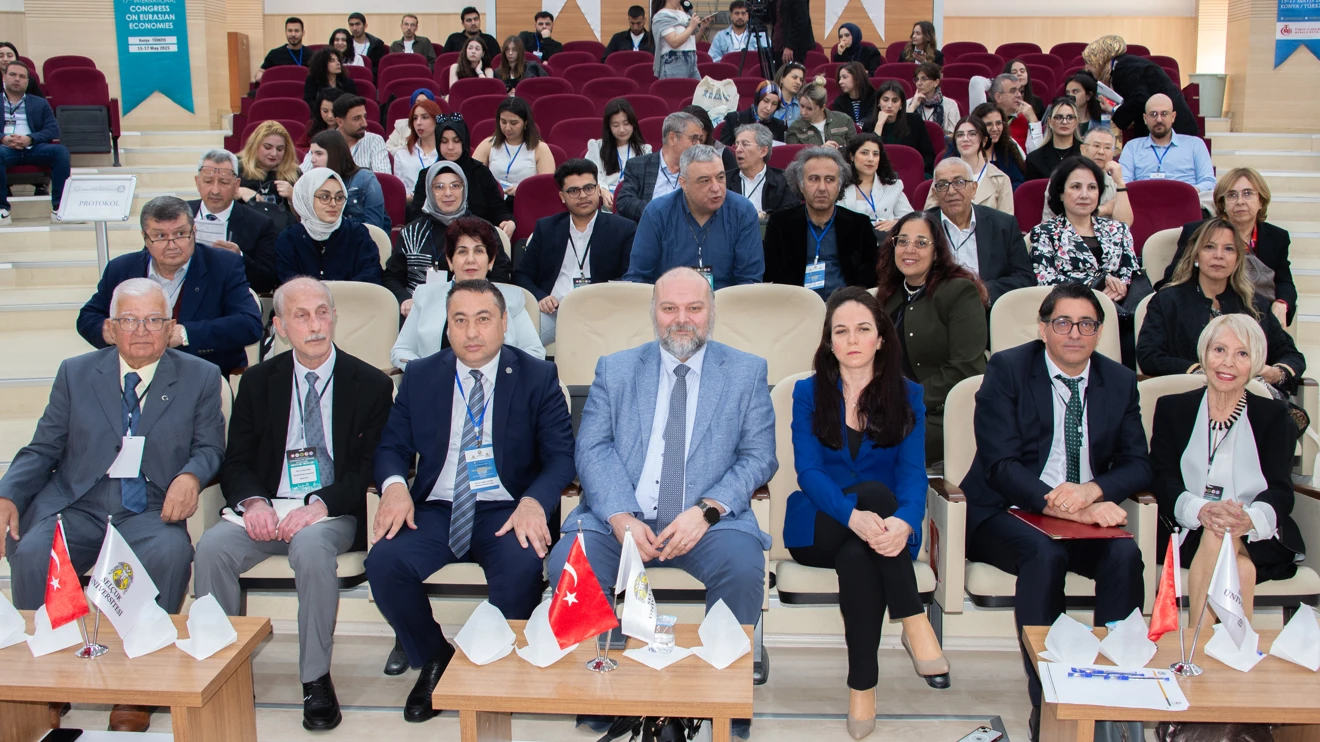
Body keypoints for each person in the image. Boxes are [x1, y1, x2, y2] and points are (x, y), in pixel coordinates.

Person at [550, 266, 774, 741]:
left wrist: (709, 510)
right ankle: (600, 683)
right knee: (571, 562)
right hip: (624, 514)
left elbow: (759, 456)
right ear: (653, 312)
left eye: (694, 308)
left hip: (706, 521)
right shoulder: (615, 368)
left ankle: (723, 693)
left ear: (711, 312)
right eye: (669, 308)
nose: (682, 320)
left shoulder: (747, 371)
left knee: (742, 564)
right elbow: (592, 448)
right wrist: (619, 515)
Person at [2, 278, 224, 733]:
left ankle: (134, 689)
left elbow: (210, 448)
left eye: (153, 320)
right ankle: (49, 679)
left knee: (170, 553)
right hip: (78, 503)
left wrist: (191, 475)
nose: (141, 330)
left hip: (148, 508)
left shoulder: (200, 377)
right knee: (32, 549)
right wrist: (7, 493)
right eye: (129, 320)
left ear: (171, 326)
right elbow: (42, 447)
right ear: (109, 328)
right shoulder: (76, 372)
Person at [369, 277, 574, 722]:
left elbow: (561, 458)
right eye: (459, 321)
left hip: (507, 508)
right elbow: (391, 448)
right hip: (437, 508)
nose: (472, 332)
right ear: (447, 327)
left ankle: (489, 662)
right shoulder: (422, 375)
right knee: (383, 563)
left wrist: (535, 502)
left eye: (484, 319)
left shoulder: (538, 376)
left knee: (522, 567)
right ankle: (437, 659)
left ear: (504, 323)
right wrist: (396, 487)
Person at [193, 277, 392, 732]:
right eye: (301, 316)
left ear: (335, 317)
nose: (315, 325)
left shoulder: (372, 384)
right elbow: (237, 460)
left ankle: (315, 678)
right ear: (280, 326)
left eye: (323, 313)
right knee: (211, 549)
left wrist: (321, 503)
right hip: (269, 508)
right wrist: (254, 502)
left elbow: (370, 467)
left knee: (310, 547)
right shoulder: (259, 381)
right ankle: (222, 672)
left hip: (332, 512)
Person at [961, 283, 1150, 742]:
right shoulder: (1007, 369)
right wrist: (1059, 504)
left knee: (1125, 556)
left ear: (1100, 332)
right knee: (1044, 555)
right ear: (1044, 328)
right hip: (1003, 511)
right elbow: (1000, 464)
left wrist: (1092, 492)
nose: (1074, 334)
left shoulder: (1119, 381)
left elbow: (1138, 463)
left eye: (1087, 324)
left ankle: (1110, 696)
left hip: (1080, 510)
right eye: (1062, 323)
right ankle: (1049, 699)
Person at [786, 286, 950, 740]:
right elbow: (809, 473)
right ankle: (914, 620)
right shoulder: (807, 392)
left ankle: (862, 688)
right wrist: (852, 515)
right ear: (829, 341)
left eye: (863, 329)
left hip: (882, 536)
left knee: (860, 557)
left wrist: (906, 520)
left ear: (881, 338)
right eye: (841, 331)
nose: (852, 339)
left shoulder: (908, 394)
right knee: (876, 492)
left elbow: (915, 474)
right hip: (818, 525)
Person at [1151, 315, 1306, 627]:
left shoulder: (1276, 417)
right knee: (1235, 559)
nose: (1228, 363)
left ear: (1256, 362)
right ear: (1204, 353)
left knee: (1221, 531)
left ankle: (1195, 643)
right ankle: (1232, 656)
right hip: (1188, 527)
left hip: (1258, 533)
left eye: (1242, 354)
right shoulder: (1172, 408)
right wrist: (1202, 509)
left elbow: (1279, 488)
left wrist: (1248, 517)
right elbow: (1162, 477)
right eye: (1219, 350)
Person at [78, 195, 262, 373]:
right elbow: (87, 317)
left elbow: (249, 324)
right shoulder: (122, 269)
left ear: (194, 231)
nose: (172, 245)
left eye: (180, 234)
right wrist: (107, 331)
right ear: (145, 238)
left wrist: (185, 334)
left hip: (201, 374)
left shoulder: (223, 265)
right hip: (138, 372)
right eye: (160, 236)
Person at [1138, 218, 1304, 393]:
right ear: (1196, 255)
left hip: (1250, 398)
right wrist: (1198, 372)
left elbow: (1292, 355)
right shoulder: (1167, 300)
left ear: (1238, 259)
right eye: (1209, 247)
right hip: (1188, 396)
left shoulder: (1254, 303)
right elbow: (1149, 356)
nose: (1219, 255)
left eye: (1229, 249)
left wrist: (1275, 373)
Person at [875, 213, 987, 463]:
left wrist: (903, 399)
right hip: (889, 407)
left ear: (937, 252)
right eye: (902, 241)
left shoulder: (959, 292)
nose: (909, 250)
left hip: (943, 412)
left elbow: (966, 368)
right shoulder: (887, 295)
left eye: (921, 243)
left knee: (878, 447)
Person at [515, 159, 636, 345]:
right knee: (518, 342)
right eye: (573, 191)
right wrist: (540, 298)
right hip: (554, 313)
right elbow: (522, 275)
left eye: (588, 188)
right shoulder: (546, 227)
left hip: (602, 313)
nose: (582, 195)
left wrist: (598, 298)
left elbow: (630, 278)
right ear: (562, 196)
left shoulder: (623, 229)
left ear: (598, 190)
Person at [392, 216, 543, 364]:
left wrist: (497, 374)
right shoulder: (424, 296)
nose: (470, 260)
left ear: (491, 261)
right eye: (462, 252)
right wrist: (428, 372)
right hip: (437, 384)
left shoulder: (512, 299)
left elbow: (535, 352)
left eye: (478, 251)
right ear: (450, 261)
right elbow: (401, 350)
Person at [1160, 168, 1295, 326]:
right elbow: (1172, 279)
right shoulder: (1197, 232)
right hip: (1204, 312)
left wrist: (1282, 303)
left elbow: (1284, 281)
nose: (1240, 201)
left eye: (1248, 193)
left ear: (1261, 201)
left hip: (1256, 316)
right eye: (1231, 195)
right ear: (1222, 203)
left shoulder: (1277, 237)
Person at [625, 145, 763, 288]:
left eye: (720, 177)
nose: (716, 188)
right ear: (683, 184)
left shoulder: (743, 212)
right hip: (670, 303)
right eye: (705, 181)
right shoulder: (657, 213)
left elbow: (749, 281)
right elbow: (638, 278)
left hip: (727, 304)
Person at [390, 162, 513, 306]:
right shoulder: (411, 233)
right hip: (418, 309)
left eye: (455, 186)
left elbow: (501, 273)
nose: (448, 193)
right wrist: (404, 299)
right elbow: (392, 276)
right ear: (429, 192)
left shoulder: (483, 230)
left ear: (464, 189)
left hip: (474, 308)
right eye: (439, 187)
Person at [764, 146, 879, 297]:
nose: (822, 188)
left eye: (830, 180)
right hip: (796, 306)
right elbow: (773, 277)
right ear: (800, 184)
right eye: (814, 179)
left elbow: (870, 278)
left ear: (839, 186)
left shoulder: (859, 224)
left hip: (845, 307)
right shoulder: (780, 224)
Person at [1030, 156, 1138, 311]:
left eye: (1092, 188)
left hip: (1120, 309)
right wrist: (1099, 282)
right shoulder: (1044, 232)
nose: (1085, 195)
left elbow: (1131, 272)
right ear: (1061, 193)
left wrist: (1120, 286)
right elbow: (1045, 279)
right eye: (1076, 187)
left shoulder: (1119, 230)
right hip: (1069, 310)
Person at [924, 158, 1034, 305]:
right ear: (935, 193)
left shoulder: (1003, 225)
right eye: (943, 185)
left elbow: (1025, 278)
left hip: (987, 314)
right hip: (935, 312)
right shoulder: (922, 226)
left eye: (959, 182)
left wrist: (984, 291)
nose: (951, 191)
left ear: (974, 188)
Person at [407, 115, 516, 236]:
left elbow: (498, 209)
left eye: (456, 140)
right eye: (444, 141)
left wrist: (508, 221)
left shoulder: (480, 173)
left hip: (477, 239)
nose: (450, 147)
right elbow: (417, 214)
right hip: (436, 239)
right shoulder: (427, 175)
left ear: (464, 141)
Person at [190, 149, 279, 295]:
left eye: (224, 182)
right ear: (197, 182)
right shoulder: (179, 214)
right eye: (208, 181)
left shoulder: (260, 224)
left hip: (230, 299)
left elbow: (266, 281)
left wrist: (240, 258)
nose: (215, 190)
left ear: (237, 185)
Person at [275, 168, 383, 285]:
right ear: (307, 199)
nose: (333, 204)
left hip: (352, 301)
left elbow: (372, 276)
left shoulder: (358, 234)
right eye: (325, 197)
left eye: (339, 197)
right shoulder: (288, 239)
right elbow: (288, 283)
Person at [1084, 35, 1197, 139]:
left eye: (1089, 62)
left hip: (1175, 131)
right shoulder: (1126, 64)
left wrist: (1114, 110)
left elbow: (1139, 99)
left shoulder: (1123, 69)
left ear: (1099, 59)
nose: (1086, 68)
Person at [0, 62, 68, 223]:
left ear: (27, 81)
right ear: (4, 77)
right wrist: (3, 138)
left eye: (22, 76)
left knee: (61, 152)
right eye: (13, 75)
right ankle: (2, 209)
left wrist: (30, 138)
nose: (17, 79)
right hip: (4, 148)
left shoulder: (39, 102)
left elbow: (53, 130)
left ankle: (60, 208)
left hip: (33, 147)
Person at [615, 111, 704, 222]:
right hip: (648, 230)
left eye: (700, 139)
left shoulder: (700, 170)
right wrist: (660, 213)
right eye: (694, 138)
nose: (698, 145)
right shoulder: (639, 166)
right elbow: (625, 201)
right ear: (672, 138)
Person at [1118, 93, 1215, 194]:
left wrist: (1188, 192)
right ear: (1145, 119)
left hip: (1184, 204)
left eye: (1164, 114)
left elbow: (1209, 182)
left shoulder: (1195, 145)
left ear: (1173, 117)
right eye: (1153, 114)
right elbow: (1123, 182)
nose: (1159, 119)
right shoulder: (1132, 147)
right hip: (1144, 204)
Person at [1041, 125, 1132, 225]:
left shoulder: (1114, 184)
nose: (1101, 152)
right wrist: (1104, 209)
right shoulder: (1062, 177)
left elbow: (1125, 225)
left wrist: (1120, 184)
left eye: (1107, 148)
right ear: (1083, 149)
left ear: (1113, 153)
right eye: (1096, 146)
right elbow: (1058, 222)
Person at [472, 97, 555, 199]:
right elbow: (473, 177)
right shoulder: (488, 144)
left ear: (525, 123)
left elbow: (546, 186)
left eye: (513, 123)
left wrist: (523, 190)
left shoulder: (540, 148)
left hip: (527, 200)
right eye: (503, 122)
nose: (507, 128)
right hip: (493, 200)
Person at [927, 116, 1013, 215]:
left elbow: (1006, 224)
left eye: (972, 134)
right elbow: (930, 216)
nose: (965, 139)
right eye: (960, 135)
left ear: (984, 140)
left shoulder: (1001, 180)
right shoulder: (942, 174)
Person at [308, 130, 389, 232]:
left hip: (362, 242)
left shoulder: (365, 179)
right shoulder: (313, 182)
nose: (312, 159)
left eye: (319, 154)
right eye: (312, 153)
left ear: (335, 155)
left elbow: (374, 227)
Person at [586, 98, 652, 211]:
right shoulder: (597, 147)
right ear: (609, 127)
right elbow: (589, 175)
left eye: (626, 124)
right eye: (615, 125)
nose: (621, 130)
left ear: (633, 124)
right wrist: (602, 190)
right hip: (605, 202)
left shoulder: (644, 150)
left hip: (632, 203)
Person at [300, 95, 391, 175]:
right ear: (339, 121)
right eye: (356, 119)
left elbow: (383, 180)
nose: (364, 124)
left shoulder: (375, 141)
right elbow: (302, 176)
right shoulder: (322, 142)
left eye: (365, 116)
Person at [839, 134, 912, 232]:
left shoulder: (893, 186)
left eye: (875, 154)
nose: (871, 159)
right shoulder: (839, 185)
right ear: (852, 156)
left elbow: (911, 219)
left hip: (884, 242)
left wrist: (895, 223)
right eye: (864, 153)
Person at [238, 120, 301, 234]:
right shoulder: (238, 168)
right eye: (268, 147)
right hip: (245, 233)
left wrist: (293, 197)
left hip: (282, 234)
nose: (274, 154)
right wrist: (238, 191)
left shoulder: (295, 174)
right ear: (255, 146)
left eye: (280, 149)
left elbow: (304, 219)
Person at [727, 123, 797, 222]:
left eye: (745, 144)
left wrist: (765, 216)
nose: (738, 150)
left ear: (763, 151)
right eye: (737, 144)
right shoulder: (725, 179)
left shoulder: (783, 179)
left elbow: (791, 213)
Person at [863, 81, 934, 176]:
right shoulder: (869, 124)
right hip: (878, 174)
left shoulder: (914, 121)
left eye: (895, 100)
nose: (889, 105)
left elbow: (929, 156)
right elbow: (866, 156)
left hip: (909, 172)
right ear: (879, 103)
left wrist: (913, 171)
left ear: (901, 104)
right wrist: (879, 124)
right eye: (885, 100)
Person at [1024, 97, 1083, 181]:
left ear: (1076, 122)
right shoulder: (1034, 159)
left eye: (1070, 117)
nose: (1064, 122)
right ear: (1050, 122)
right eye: (1059, 117)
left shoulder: (1087, 153)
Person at [972, 102, 1027, 190]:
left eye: (998, 123)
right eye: (989, 124)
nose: (995, 129)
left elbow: (1018, 181)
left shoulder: (1008, 148)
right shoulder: (965, 149)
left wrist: (1001, 195)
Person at [986, 73, 1045, 156]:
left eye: (1020, 91)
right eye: (1013, 91)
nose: (1019, 95)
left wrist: (1033, 120)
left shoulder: (1024, 118)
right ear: (998, 97)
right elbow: (976, 82)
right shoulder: (986, 119)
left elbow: (1037, 154)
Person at [393, 98, 442, 195]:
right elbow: (401, 190)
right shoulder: (402, 154)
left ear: (436, 120)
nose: (418, 123)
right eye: (415, 118)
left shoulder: (448, 151)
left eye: (424, 117)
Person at [651, 0, 710, 79]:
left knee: (697, 90)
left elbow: (691, 41)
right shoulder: (661, 15)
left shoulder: (684, 14)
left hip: (692, 61)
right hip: (674, 62)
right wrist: (691, 27)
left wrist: (702, 28)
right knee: (678, 90)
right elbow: (674, 42)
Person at [787, 82, 856, 149]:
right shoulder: (795, 128)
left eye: (810, 109)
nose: (803, 112)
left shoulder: (844, 120)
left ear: (822, 107)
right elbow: (796, 157)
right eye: (802, 106)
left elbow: (854, 150)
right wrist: (821, 150)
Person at [720, 81, 788, 146]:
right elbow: (723, 151)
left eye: (774, 104)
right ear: (757, 99)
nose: (769, 108)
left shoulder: (779, 125)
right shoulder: (734, 119)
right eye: (766, 101)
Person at [302, 48, 358, 118]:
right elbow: (309, 102)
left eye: (338, 60)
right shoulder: (313, 81)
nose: (338, 63)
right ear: (323, 64)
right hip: (320, 117)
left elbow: (354, 103)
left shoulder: (347, 82)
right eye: (332, 61)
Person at [908, 62, 959, 137]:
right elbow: (901, 131)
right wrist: (913, 106)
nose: (918, 83)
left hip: (942, 146)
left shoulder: (950, 104)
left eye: (924, 79)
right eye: (917, 79)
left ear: (936, 82)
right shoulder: (909, 103)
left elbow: (955, 134)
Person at [831, 63, 877, 129]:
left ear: (857, 78)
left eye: (844, 77)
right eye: (839, 78)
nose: (840, 82)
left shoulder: (875, 97)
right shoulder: (839, 102)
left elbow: (872, 119)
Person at [773, 0, 815, 69]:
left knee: (789, 75)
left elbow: (801, 21)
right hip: (779, 43)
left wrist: (790, 46)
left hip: (792, 47)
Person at [1064, 72, 1103, 137]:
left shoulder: (1102, 123)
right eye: (1068, 93)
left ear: (1088, 95)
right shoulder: (1062, 121)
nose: (1070, 96)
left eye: (1075, 92)